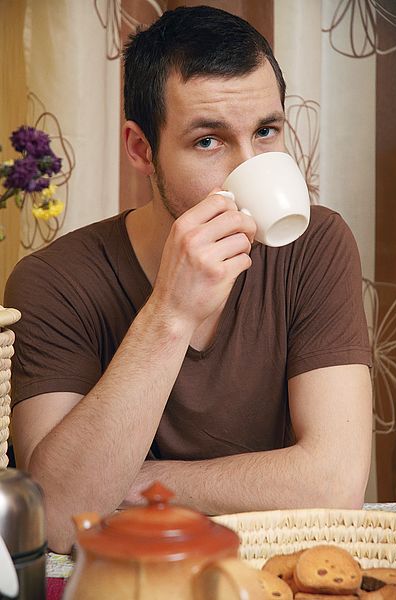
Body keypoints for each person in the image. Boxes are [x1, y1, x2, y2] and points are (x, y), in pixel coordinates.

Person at [5, 5, 373, 554]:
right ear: (140, 148)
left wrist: (126, 486)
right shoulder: (52, 281)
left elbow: (334, 483)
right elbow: (59, 518)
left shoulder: (315, 244)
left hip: (267, 567)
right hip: (127, 573)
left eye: (267, 132)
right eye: (209, 141)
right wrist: (170, 313)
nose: (248, 166)